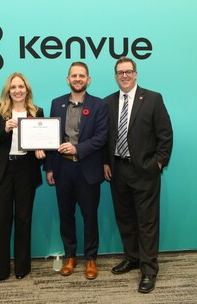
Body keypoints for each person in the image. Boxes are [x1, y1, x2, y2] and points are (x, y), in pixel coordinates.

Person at [103, 57, 173, 293]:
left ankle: (149, 269)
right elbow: (105, 138)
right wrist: (105, 162)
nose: (124, 75)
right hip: (118, 169)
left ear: (136, 73)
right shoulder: (108, 102)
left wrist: (158, 163)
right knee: (125, 218)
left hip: (145, 171)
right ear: (115, 76)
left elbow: (165, 135)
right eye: (120, 72)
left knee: (147, 222)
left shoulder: (153, 98)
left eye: (128, 71)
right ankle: (132, 257)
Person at [44, 62, 108, 280]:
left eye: (82, 75)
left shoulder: (99, 105)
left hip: (87, 169)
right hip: (62, 169)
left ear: (88, 79)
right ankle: (70, 256)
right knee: (66, 215)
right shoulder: (56, 103)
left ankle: (91, 258)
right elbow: (51, 139)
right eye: (74, 75)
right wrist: (49, 167)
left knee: (89, 216)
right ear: (68, 79)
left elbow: (101, 137)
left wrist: (77, 148)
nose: (78, 79)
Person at [0, 73, 44, 283]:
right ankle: (0, 271)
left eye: (21, 86)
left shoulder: (37, 112)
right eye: (13, 87)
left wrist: (41, 151)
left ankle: (22, 267)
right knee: (2, 220)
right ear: (8, 91)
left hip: (25, 171)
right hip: (4, 170)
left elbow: (42, 141)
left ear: (27, 90)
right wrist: (4, 129)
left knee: (23, 219)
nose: (17, 90)